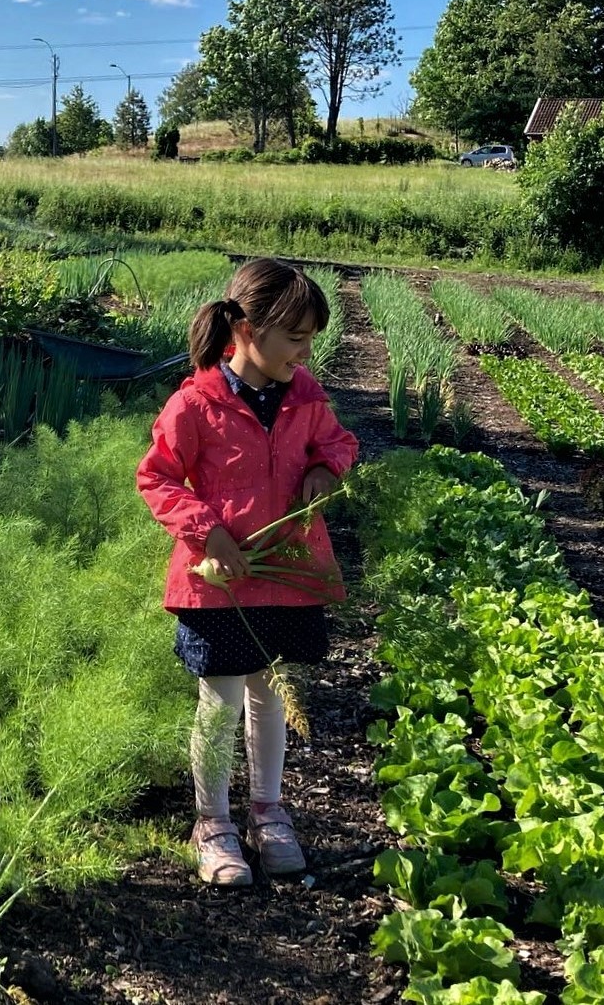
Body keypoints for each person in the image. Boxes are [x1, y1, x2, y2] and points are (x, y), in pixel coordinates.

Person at [136, 257, 359, 887]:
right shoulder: (195, 403)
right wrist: (207, 529)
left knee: (272, 693)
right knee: (223, 695)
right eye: (296, 338)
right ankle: (214, 823)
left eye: (311, 338)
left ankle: (269, 813)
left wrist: (326, 470)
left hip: (288, 574)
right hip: (220, 583)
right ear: (246, 332)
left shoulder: (307, 397)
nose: (304, 351)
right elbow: (155, 477)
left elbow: (339, 444)